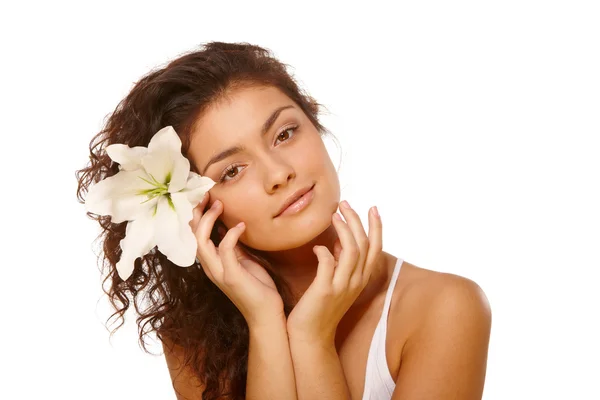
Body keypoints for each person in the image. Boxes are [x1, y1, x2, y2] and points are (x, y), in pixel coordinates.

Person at [76, 41, 492, 400]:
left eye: (285, 134)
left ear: (315, 123)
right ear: (196, 210)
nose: (279, 174)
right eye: (232, 171)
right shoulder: (192, 340)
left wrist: (312, 339)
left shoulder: (445, 307)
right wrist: (266, 324)